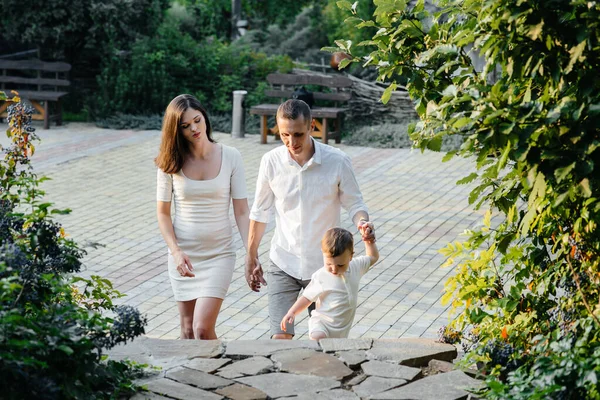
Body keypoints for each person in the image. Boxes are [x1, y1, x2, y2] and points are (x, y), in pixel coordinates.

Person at [246, 99, 375, 339]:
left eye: (298, 134)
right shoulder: (271, 162)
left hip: (325, 267)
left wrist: (362, 223)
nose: (291, 142)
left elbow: (355, 204)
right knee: (280, 338)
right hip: (283, 262)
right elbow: (259, 212)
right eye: (284, 134)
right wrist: (251, 255)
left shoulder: (337, 160)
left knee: (324, 343)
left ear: (311, 126)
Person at [156, 94, 250, 340]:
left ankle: (220, 375)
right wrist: (176, 252)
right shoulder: (170, 162)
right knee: (187, 330)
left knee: (202, 328)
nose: (194, 129)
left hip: (219, 254)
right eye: (185, 126)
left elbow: (241, 211)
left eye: (197, 120)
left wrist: (252, 252)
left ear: (204, 117)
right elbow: (163, 214)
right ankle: (192, 378)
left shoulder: (231, 156)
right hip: (183, 257)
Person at [281, 227, 379, 339]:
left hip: (341, 330)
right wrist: (292, 312)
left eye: (340, 265)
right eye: (329, 264)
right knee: (318, 337)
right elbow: (307, 298)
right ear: (323, 254)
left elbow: (373, 257)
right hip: (322, 323)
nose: (334, 269)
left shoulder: (356, 267)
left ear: (351, 256)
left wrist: (369, 241)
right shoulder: (321, 276)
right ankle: (315, 348)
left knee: (334, 353)